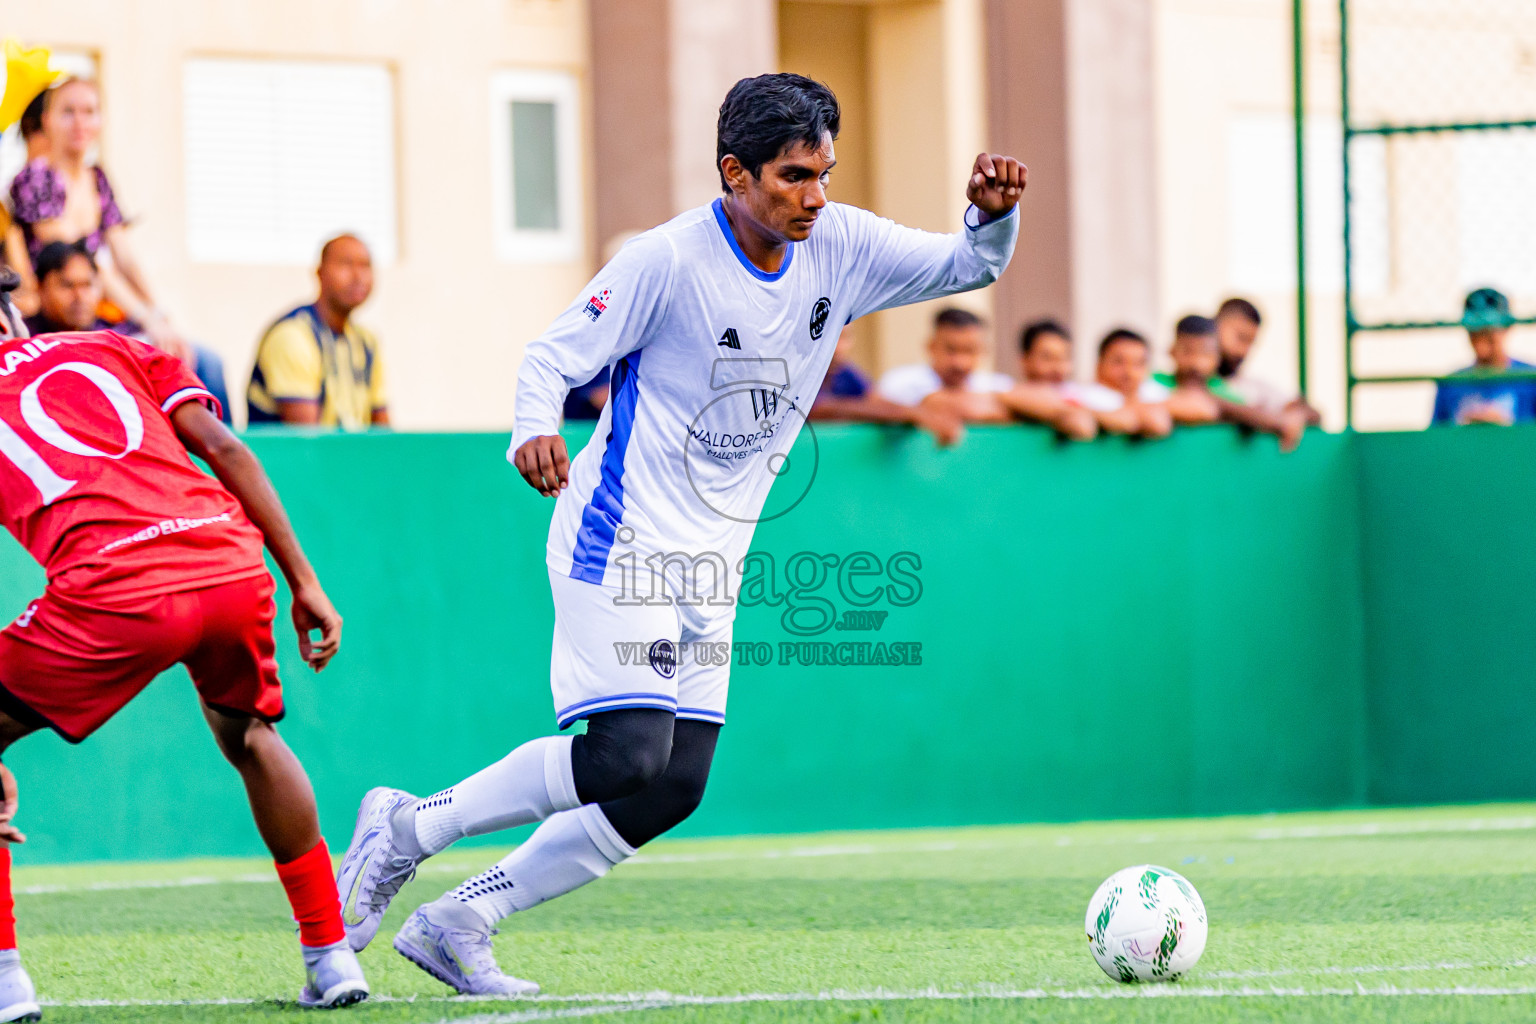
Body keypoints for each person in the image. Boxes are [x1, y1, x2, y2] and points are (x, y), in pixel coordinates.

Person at [334, 72, 1024, 994]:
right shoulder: (667, 260)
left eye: (823, 172)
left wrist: (989, 218)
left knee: (671, 783)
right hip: (618, 537)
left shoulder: (841, 241)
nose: (814, 195)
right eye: (792, 176)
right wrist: (535, 426)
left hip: (713, 559)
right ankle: (409, 829)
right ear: (734, 172)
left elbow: (968, 266)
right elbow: (551, 355)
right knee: (625, 752)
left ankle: (465, 917)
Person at [0, 270, 368, 1011]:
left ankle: (6, 981)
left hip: (115, 589)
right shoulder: (111, 346)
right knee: (252, 736)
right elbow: (226, 448)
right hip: (228, 559)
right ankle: (333, 958)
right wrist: (304, 582)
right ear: (11, 313)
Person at [4, 79, 189, 357]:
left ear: (101, 120)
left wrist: (160, 316)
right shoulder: (35, 178)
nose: (79, 122)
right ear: (48, 121)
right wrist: (146, 318)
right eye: (68, 112)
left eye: (89, 112)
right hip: (53, 320)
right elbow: (80, 262)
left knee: (194, 359)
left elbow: (126, 258)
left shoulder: (98, 178)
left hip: (98, 314)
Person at [22, 241, 232, 425]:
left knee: (206, 361)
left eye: (87, 285)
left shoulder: (113, 333)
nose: (80, 296)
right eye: (67, 286)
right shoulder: (22, 337)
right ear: (40, 287)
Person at [247, 234, 389, 430]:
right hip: (286, 460)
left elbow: (384, 435)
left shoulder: (366, 341)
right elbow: (309, 443)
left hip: (345, 458)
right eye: (346, 264)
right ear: (319, 273)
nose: (358, 276)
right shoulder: (293, 336)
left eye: (365, 266)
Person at [1159, 315, 1305, 451]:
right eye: (1187, 352)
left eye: (1205, 353)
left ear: (1217, 357)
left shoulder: (1226, 391)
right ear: (1171, 351)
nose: (1196, 363)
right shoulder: (1154, 383)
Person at [809, 323, 963, 444]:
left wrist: (926, 413)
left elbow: (873, 400)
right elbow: (818, 408)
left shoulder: (844, 371)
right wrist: (911, 413)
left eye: (844, 337)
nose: (838, 348)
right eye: (827, 336)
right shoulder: (792, 370)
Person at [1431, 287, 1536, 427]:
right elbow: (1437, 439)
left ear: (1507, 328)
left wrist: (1505, 427)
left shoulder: (1529, 379)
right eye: (1474, 332)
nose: (1481, 343)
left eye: (1488, 333)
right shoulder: (1451, 383)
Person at [875, 307, 1012, 408]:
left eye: (970, 351)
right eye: (950, 350)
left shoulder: (998, 384)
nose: (960, 362)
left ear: (984, 350)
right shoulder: (898, 382)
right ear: (931, 346)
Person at [1214, 297, 1321, 424]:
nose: (1244, 351)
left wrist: (1291, 415)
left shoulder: (1255, 387)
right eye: (1241, 337)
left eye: (1251, 343)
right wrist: (1266, 418)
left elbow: (1311, 413)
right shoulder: (1193, 382)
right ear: (1215, 327)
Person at [996, 319, 1097, 441]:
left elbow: (1083, 425)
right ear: (1024, 360)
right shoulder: (1006, 391)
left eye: (1064, 358)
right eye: (1047, 358)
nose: (1058, 368)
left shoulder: (1081, 395)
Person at [1066, 329, 1173, 439]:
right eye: (1119, 362)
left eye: (1138, 363)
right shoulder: (1083, 397)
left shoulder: (1154, 392)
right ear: (1099, 364)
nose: (1129, 372)